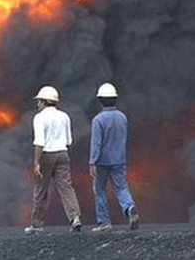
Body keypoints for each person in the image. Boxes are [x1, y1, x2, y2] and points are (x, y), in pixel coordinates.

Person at [25, 85, 82, 234]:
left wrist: (37, 162)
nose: (38, 104)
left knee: (41, 190)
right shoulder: (64, 116)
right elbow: (69, 140)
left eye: (39, 101)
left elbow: (39, 142)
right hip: (63, 154)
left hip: (46, 155)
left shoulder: (39, 118)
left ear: (44, 102)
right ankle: (75, 218)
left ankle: (37, 225)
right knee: (66, 188)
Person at [88, 82, 141, 231]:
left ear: (100, 100)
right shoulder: (122, 117)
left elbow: (96, 144)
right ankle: (129, 208)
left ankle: (104, 222)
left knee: (100, 190)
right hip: (119, 160)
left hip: (102, 162)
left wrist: (92, 162)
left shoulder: (98, 120)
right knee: (122, 187)